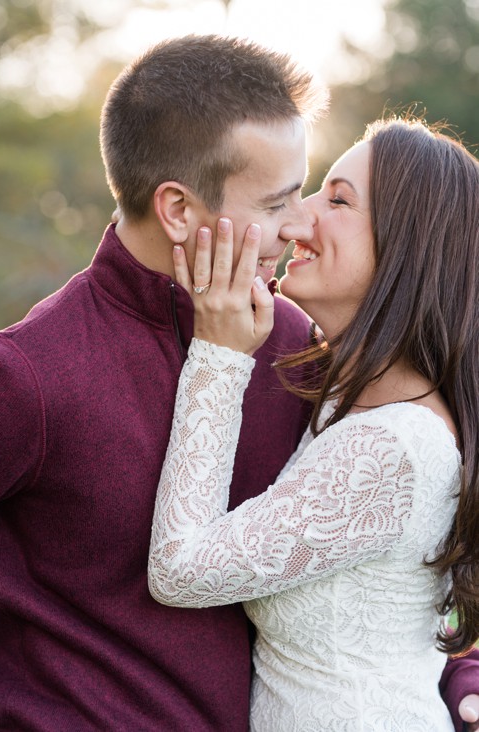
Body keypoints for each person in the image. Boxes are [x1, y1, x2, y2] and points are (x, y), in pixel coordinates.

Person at [0, 35, 479, 730]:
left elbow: (389, 558)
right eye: (279, 202)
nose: (299, 222)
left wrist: (455, 666)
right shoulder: (29, 372)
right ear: (180, 211)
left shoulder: (298, 351)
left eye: (319, 197)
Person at [148, 117, 479, 729]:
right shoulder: (347, 397)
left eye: (338, 200)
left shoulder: (394, 449)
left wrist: (218, 356)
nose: (295, 220)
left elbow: (180, 569)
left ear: (407, 245)